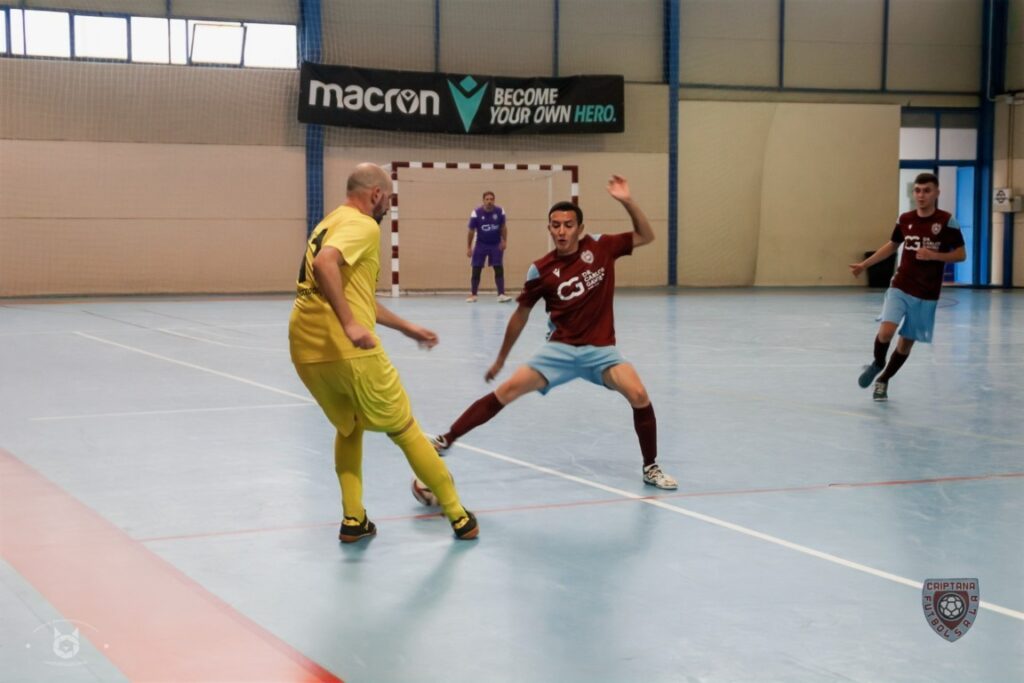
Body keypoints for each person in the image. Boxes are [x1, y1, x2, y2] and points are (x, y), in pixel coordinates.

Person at [431, 175, 678, 490]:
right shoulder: (541, 270)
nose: (562, 230)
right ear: (549, 229)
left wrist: (627, 201)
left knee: (639, 394)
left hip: (601, 351)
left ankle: (650, 467)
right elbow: (520, 315)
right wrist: (500, 359)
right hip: (559, 351)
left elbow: (646, 235)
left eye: (568, 224)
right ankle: (446, 439)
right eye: (556, 225)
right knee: (506, 391)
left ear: (580, 228)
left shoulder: (602, 247)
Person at [289, 163, 479, 542]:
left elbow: (354, 294)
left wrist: (408, 328)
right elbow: (327, 265)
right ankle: (459, 516)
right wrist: (350, 324)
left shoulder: (330, 222)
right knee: (405, 428)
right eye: (387, 199)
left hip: (306, 349)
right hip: (347, 350)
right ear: (376, 194)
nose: (386, 207)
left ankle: (353, 520)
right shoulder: (364, 225)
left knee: (350, 427)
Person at [849, 172, 966, 401]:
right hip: (901, 285)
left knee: (904, 346)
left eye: (927, 190)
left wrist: (934, 255)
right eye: (918, 190)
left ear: (936, 193)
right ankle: (877, 363)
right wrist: (864, 264)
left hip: (927, 293)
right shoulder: (904, 219)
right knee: (886, 332)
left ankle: (883, 379)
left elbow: (961, 254)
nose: (921, 195)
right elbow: (892, 245)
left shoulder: (947, 222)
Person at [466, 191, 512, 303]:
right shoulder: (476, 213)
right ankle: (473, 294)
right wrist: (468, 247)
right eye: (487, 199)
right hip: (480, 244)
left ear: (494, 200)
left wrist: (504, 241)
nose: (489, 201)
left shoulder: (500, 211)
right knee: (476, 268)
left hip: (496, 244)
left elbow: (503, 227)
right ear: (483, 200)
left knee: (498, 267)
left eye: (491, 199)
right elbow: (471, 231)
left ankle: (501, 294)